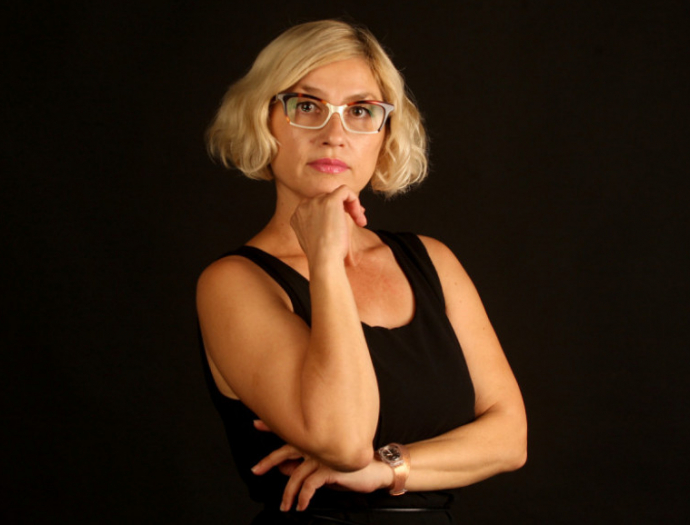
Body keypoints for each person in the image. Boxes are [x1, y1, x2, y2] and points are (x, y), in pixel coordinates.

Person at [198, 19, 527, 525]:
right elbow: (345, 443)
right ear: (264, 119)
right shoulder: (233, 282)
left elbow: (509, 439)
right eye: (306, 105)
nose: (334, 135)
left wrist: (387, 468)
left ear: (385, 132)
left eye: (360, 111)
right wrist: (326, 260)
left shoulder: (431, 260)